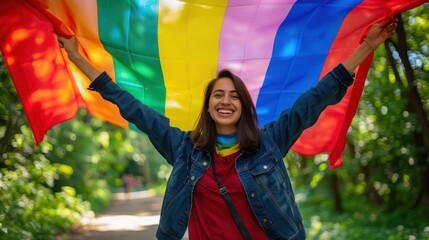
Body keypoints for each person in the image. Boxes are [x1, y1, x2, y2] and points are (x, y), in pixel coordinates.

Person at [57, 18, 397, 240]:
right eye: (218, 94)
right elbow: (133, 108)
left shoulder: (270, 143)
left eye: (234, 95)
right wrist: (77, 59)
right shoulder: (183, 148)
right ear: (208, 105)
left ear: (244, 107)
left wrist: (366, 47)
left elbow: (316, 98)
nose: (225, 100)